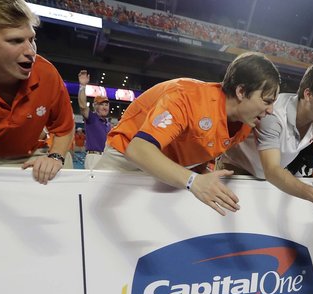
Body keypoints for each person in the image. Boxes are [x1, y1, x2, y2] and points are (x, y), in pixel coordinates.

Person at [96, 51, 280, 216]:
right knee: (99, 214)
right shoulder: (186, 97)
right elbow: (138, 149)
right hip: (127, 156)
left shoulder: (246, 121)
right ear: (241, 91)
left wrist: (201, 176)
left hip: (172, 168)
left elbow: (203, 147)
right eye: (266, 101)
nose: (271, 110)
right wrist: (194, 181)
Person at [220, 63, 313, 223]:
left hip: (270, 183)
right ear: (308, 94)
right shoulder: (273, 116)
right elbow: (272, 170)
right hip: (236, 177)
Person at [0, 0, 75, 184]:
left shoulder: (47, 73)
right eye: (16, 41)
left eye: (32, 39)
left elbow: (64, 129)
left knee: (62, 163)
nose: (30, 51)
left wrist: (55, 157)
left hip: (27, 159)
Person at [78, 69, 111, 169]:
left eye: (106, 104)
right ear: (95, 106)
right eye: (101, 105)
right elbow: (83, 106)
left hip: (106, 158)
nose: (105, 107)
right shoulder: (92, 118)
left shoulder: (108, 124)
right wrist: (82, 86)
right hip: (94, 157)